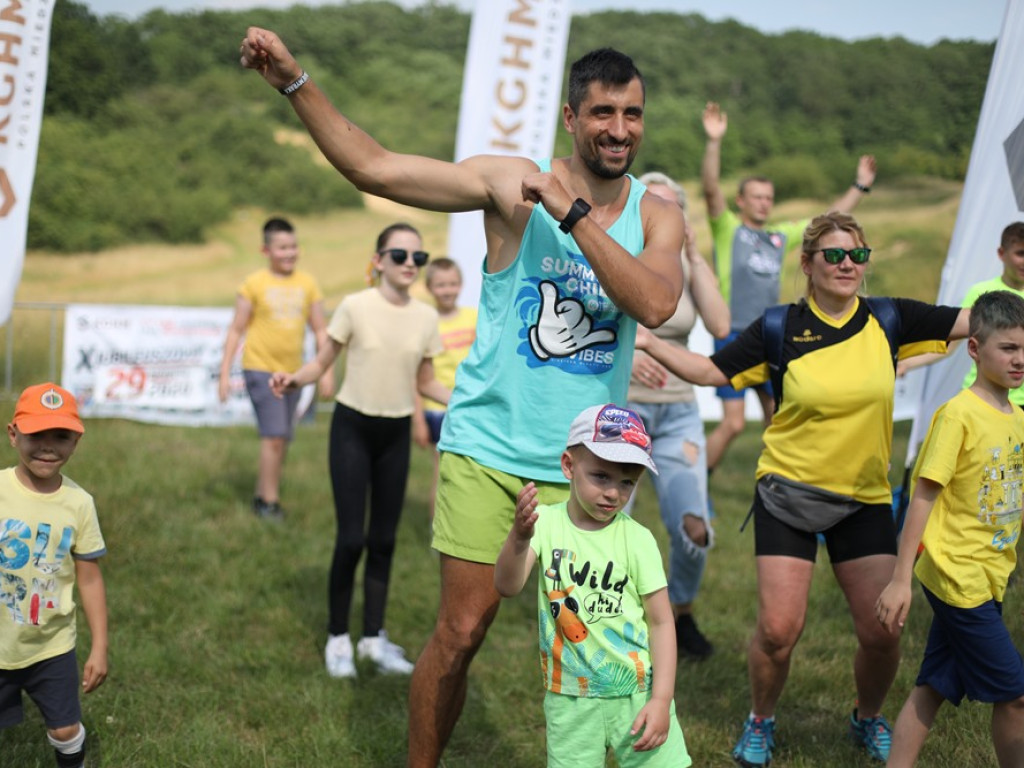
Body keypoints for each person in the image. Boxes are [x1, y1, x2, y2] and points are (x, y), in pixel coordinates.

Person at [241, 29, 684, 766]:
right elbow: (375, 169)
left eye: (632, 114)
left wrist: (570, 215)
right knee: (463, 629)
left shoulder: (658, 213)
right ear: (571, 120)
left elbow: (654, 302)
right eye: (603, 113)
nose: (619, 130)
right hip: (489, 448)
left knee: (603, 643)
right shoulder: (509, 183)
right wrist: (295, 83)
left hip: (588, 464)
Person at [633, 212, 970, 766]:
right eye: (833, 255)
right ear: (807, 264)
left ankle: (867, 717)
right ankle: (760, 720)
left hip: (862, 500)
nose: (846, 266)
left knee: (883, 631)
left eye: (857, 256)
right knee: (778, 631)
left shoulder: (891, 318)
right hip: (787, 495)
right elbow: (711, 371)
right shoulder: (779, 327)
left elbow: (975, 320)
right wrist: (648, 341)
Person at [271, 222, 449, 678]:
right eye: (400, 255)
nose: (410, 264)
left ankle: (372, 638)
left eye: (418, 258)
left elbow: (426, 381)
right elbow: (322, 361)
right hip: (351, 428)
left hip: (394, 434)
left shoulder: (426, 317)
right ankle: (337, 638)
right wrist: (295, 379)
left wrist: (471, 400)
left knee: (384, 540)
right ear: (378, 261)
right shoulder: (355, 306)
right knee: (352, 538)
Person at [494, 403, 691, 767]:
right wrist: (519, 539)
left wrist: (661, 699)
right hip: (570, 697)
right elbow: (507, 585)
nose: (614, 493)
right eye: (601, 476)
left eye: (627, 482)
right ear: (569, 465)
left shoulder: (639, 539)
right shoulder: (547, 525)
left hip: (638, 693)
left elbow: (662, 622)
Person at [875, 290, 1024, 768]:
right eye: (1008, 348)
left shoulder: (1018, 417)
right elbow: (923, 497)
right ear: (975, 350)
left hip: (990, 574)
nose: (1020, 359)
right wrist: (900, 579)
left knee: (934, 686)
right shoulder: (958, 415)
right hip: (958, 578)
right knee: (1016, 694)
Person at [700, 101, 877, 478]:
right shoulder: (729, 229)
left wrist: (859, 186)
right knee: (732, 423)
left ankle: (784, 484)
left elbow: (827, 220)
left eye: (769, 197)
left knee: (779, 419)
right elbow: (711, 188)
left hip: (769, 335)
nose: (765, 202)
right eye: (757, 196)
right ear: (742, 201)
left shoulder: (780, 237)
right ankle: (697, 489)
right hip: (732, 334)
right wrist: (714, 142)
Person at [625, 172, 730, 659]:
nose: (662, 216)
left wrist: (692, 254)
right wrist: (628, 354)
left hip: (679, 416)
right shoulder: (617, 258)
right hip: (620, 413)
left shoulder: (686, 265)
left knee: (694, 529)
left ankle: (681, 615)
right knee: (607, 526)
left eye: (673, 209)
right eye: (653, 205)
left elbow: (721, 324)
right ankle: (612, 622)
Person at [1, 383, 108, 768]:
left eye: (60, 436)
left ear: (76, 441)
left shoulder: (79, 504)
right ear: (14, 435)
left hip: (51, 644)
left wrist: (99, 647)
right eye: (36, 435)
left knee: (64, 729)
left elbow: (90, 578)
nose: (48, 447)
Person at [218, 217, 333, 521]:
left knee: (283, 437)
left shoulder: (307, 284)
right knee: (274, 437)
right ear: (266, 250)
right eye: (282, 247)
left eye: (293, 246)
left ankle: (261, 493)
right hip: (260, 368)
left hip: (294, 374)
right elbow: (235, 330)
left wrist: (327, 371)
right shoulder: (254, 284)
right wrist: (224, 374)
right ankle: (269, 502)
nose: (290, 253)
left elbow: (321, 330)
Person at [899, 222, 1024, 403]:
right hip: (986, 398)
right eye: (1020, 253)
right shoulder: (982, 293)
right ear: (1001, 254)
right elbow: (949, 345)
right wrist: (905, 364)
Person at [412, 258, 477, 519]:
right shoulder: (425, 323)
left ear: (460, 285)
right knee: (444, 472)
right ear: (429, 287)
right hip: (438, 410)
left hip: (469, 406)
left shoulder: (474, 317)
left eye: (452, 284)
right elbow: (417, 377)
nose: (447, 290)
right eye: (440, 285)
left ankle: (465, 522)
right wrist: (417, 420)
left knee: (471, 473)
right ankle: (437, 529)